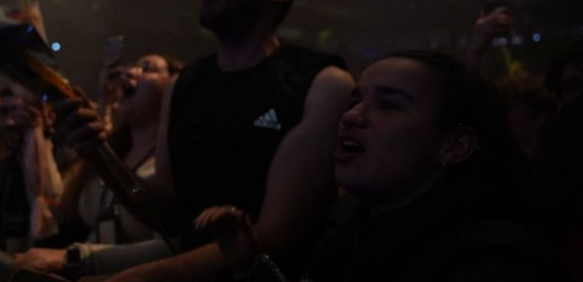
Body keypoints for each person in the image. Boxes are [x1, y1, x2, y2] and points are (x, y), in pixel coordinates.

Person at [56, 0, 353, 281]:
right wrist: (99, 154)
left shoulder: (321, 82)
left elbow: (276, 236)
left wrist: (127, 279)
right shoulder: (184, 85)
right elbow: (165, 211)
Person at [197, 51, 544, 282]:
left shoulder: (490, 261)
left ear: (454, 145)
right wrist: (249, 265)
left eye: (389, 105)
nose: (350, 116)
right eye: (356, 101)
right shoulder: (348, 226)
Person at [14, 53, 182, 276]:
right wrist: (37, 133)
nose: (130, 72)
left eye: (148, 68)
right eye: (133, 66)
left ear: (175, 88)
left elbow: (178, 246)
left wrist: (75, 257)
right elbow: (56, 203)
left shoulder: (174, 160)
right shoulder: (113, 151)